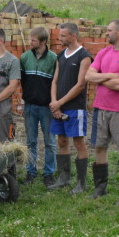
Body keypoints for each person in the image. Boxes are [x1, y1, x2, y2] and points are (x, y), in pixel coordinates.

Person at [85, 19, 119, 205]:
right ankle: (100, 188)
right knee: (99, 147)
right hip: (100, 108)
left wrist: (100, 79)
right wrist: (110, 75)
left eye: (109, 30)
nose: (106, 33)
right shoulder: (103, 52)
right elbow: (88, 75)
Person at [47, 23, 92, 193]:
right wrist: (54, 103)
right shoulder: (60, 56)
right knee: (62, 140)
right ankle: (63, 177)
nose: (60, 38)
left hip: (75, 107)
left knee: (79, 142)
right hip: (58, 107)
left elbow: (80, 85)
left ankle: (81, 182)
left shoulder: (84, 56)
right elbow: (55, 81)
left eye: (63, 36)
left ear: (74, 36)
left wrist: (60, 103)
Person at [20, 26, 58, 187]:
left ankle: (49, 173)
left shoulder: (53, 59)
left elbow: (56, 83)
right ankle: (30, 171)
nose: (30, 42)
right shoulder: (24, 58)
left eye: (33, 40)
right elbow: (21, 82)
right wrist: (22, 101)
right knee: (31, 141)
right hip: (29, 106)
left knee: (50, 142)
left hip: (46, 108)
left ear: (43, 41)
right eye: (30, 39)